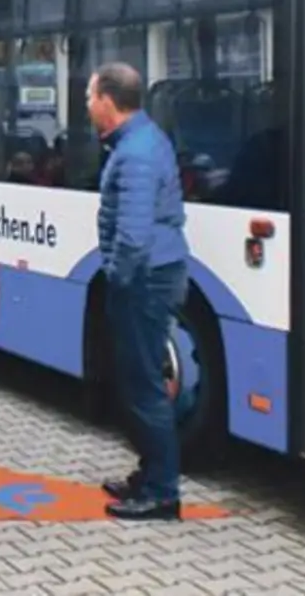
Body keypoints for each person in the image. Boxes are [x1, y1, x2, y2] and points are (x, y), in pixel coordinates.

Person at [88, 62, 189, 521]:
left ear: (108, 101)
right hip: (152, 275)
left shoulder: (136, 154)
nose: (88, 105)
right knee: (138, 379)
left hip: (144, 280)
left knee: (145, 384)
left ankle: (162, 493)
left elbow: (132, 234)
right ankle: (149, 474)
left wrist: (115, 277)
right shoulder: (141, 140)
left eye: (90, 96)